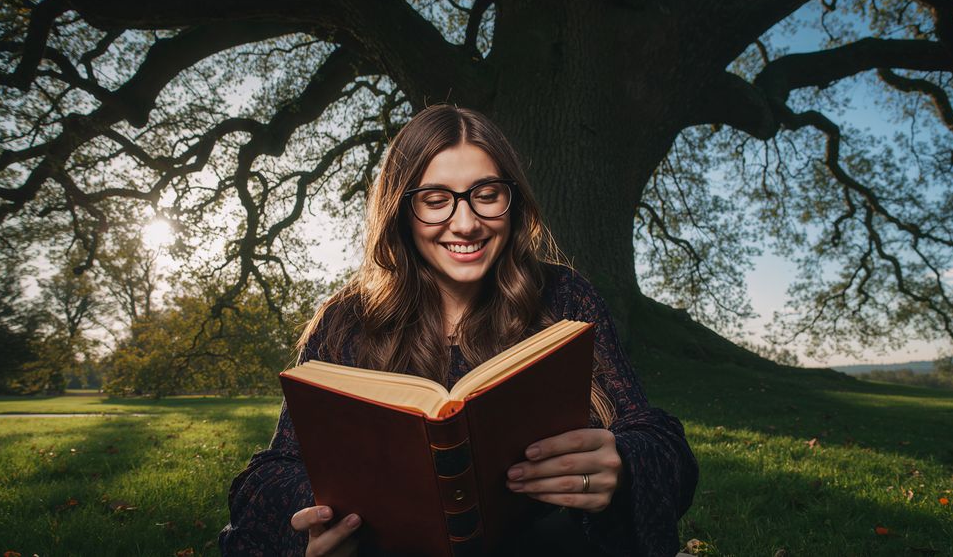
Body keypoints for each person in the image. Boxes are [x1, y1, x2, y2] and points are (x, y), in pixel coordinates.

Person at [219, 105, 697, 557]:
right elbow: (272, 474)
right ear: (402, 210)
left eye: (487, 195)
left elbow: (658, 441)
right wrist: (321, 519)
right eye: (435, 200)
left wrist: (623, 465)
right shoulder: (346, 320)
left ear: (512, 201)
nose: (465, 223)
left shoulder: (565, 296)